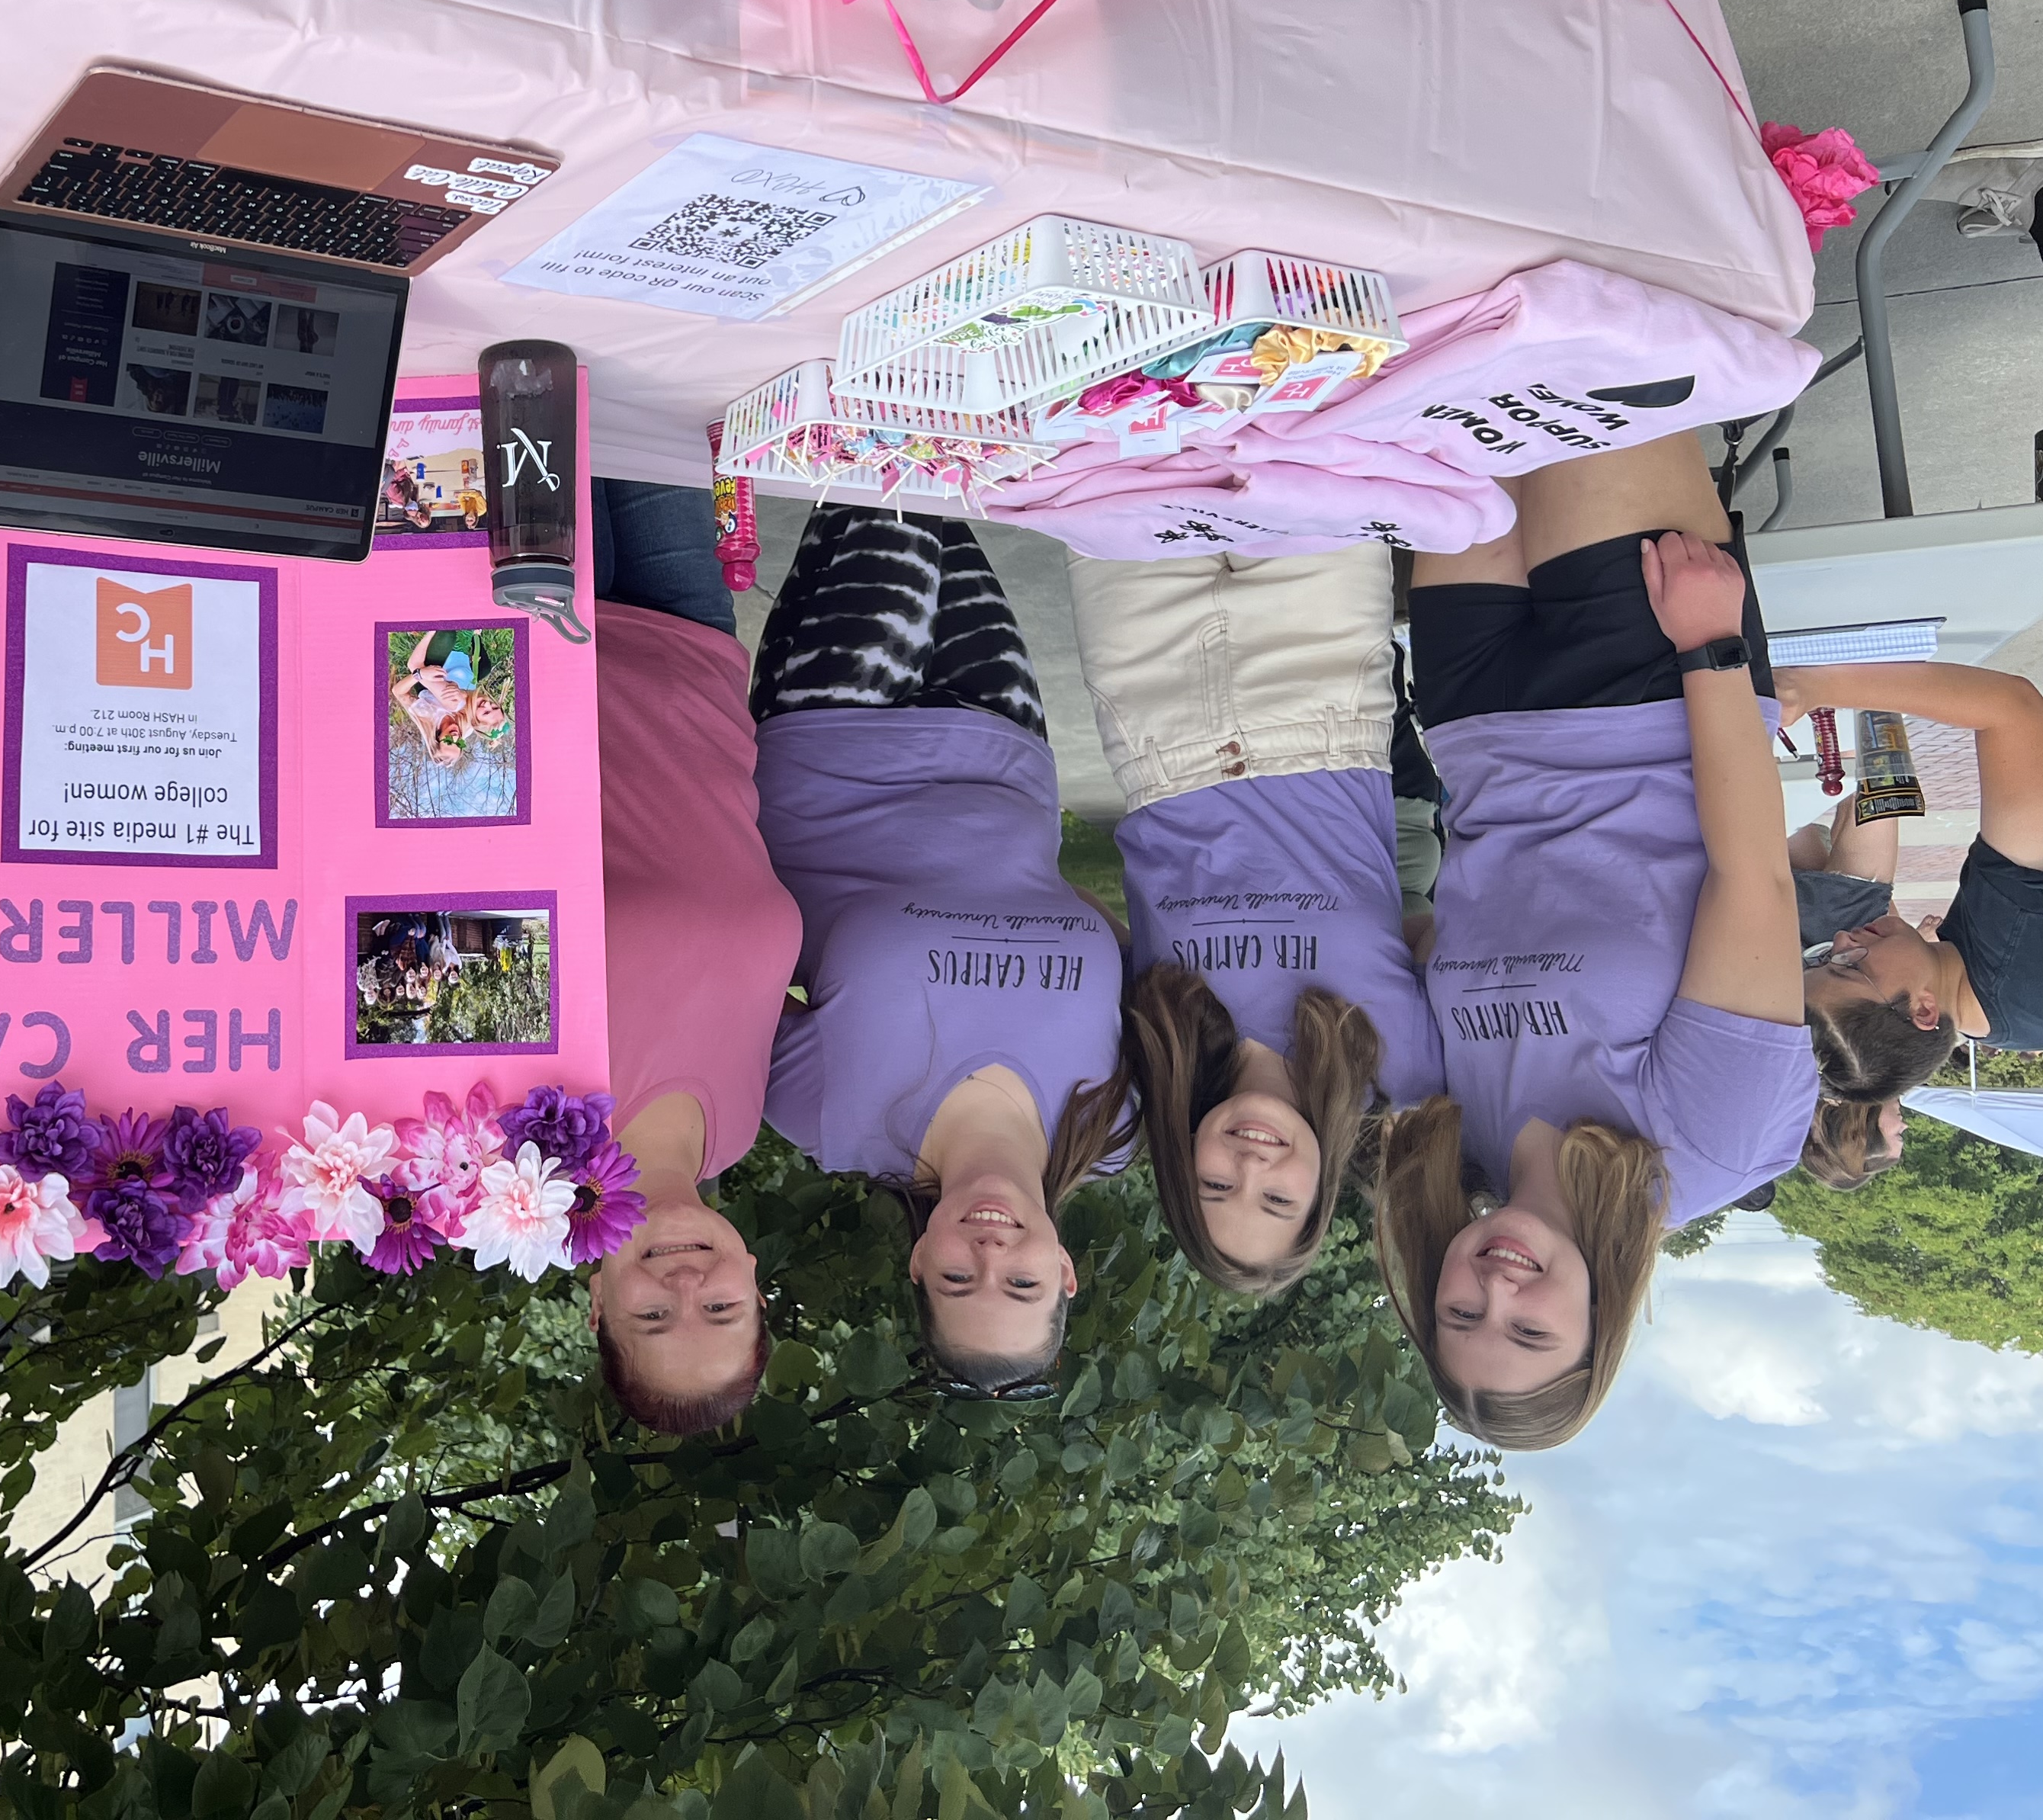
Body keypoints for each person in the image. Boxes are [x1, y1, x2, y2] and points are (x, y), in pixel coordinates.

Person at [1386, 434, 1810, 1449]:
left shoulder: (1460, 1137)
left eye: (1460, 1316)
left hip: (1475, 715)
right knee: (1582, 377)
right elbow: (1753, 877)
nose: (1496, 1291)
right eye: (1529, 1331)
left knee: (1456, 388)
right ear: (1598, 1326)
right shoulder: (1709, 1150)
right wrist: (1713, 649)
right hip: (1648, 692)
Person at [752, 505, 1130, 1395]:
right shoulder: (1117, 1121)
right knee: (910, 478)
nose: (990, 1253)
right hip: (1007, 745)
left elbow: (725, 965)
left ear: (921, 1262)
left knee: (897, 473)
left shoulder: (830, 1120)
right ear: (1065, 1272)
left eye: (959, 1280)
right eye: (1022, 1284)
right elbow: (1147, 974)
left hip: (831, 740)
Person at [1066, 547, 1435, 1295]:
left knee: (1108, 475)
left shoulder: (1153, 1044)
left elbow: (1071, 920)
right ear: (1320, 1191)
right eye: (1276, 1200)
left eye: (1215, 1187)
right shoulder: (1402, 1065)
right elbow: (1455, 934)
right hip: (1324, 691)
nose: (1251, 1165)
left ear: (1183, 1169)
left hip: (1153, 706)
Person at [578, 480, 802, 1435]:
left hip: (556, 631)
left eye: (654, 1319)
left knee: (532, 392)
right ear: (755, 1281)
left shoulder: (529, 1128)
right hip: (697, 652)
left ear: (598, 1304)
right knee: (659, 405)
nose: (686, 1286)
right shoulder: (743, 1124)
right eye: (721, 1310)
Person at [1777, 656, 2043, 1076]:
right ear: (1923, 1010)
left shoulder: (1981, 1004)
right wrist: (1815, 686)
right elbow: (2012, 708)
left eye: (1824, 959)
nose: (1841, 940)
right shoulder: (2016, 949)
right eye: (1849, 967)